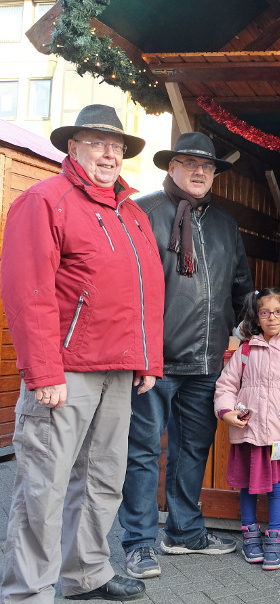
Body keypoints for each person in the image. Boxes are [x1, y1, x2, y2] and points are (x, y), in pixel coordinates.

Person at [0, 104, 165, 602]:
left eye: (116, 146)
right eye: (97, 142)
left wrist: (148, 359)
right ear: (72, 148)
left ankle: (85, 573)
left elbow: (148, 291)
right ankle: (28, 591)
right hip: (65, 372)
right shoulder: (44, 200)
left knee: (102, 479)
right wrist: (43, 372)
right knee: (43, 487)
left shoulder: (131, 212)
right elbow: (28, 293)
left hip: (119, 369)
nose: (109, 153)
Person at [119, 132, 253, 579]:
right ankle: (138, 542)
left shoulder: (226, 225)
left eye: (207, 166)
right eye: (189, 163)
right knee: (142, 452)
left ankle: (184, 532)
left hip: (204, 363)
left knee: (191, 450)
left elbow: (240, 288)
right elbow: (127, 290)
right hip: (152, 363)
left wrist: (237, 337)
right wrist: (139, 353)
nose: (199, 172)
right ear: (171, 167)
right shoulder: (143, 212)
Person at [214, 288, 280, 571]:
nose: (272, 317)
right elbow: (226, 385)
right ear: (257, 318)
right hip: (248, 432)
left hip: (279, 436)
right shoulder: (246, 351)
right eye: (265, 312)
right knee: (247, 486)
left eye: (278, 312)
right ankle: (249, 533)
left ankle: (274, 536)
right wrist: (227, 412)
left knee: (276, 488)